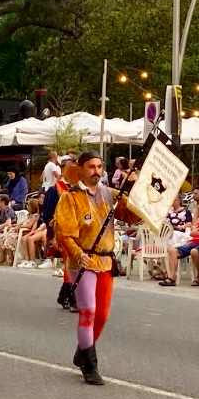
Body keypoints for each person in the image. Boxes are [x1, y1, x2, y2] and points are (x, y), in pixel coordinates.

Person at [54, 151, 138, 385]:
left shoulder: (110, 194)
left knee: (101, 316)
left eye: (100, 166)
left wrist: (136, 193)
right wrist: (78, 254)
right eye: (91, 167)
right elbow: (65, 233)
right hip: (82, 261)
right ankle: (90, 365)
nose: (96, 171)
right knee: (88, 310)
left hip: (106, 261)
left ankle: (82, 351)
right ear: (81, 169)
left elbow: (131, 216)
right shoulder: (69, 198)